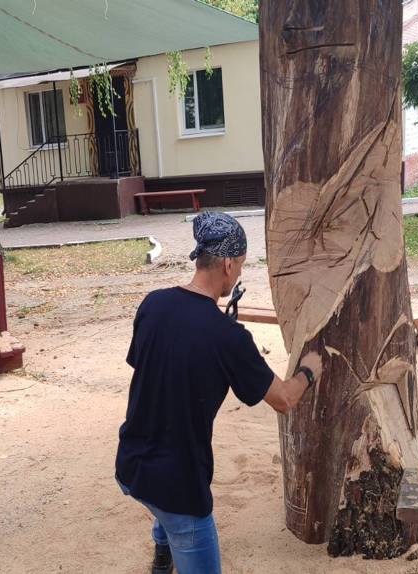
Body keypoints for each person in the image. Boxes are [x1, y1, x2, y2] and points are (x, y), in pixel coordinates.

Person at [116, 212, 323, 574]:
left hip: (131, 462)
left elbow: (151, 367)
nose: (240, 273)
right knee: (185, 527)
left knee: (158, 501)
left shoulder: (153, 304)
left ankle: (162, 552)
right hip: (180, 489)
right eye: (241, 266)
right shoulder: (228, 338)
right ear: (228, 263)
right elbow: (284, 399)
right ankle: (170, 542)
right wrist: (310, 370)